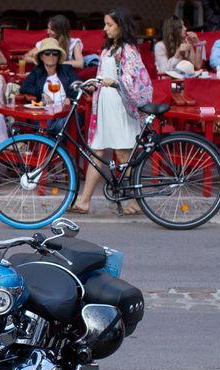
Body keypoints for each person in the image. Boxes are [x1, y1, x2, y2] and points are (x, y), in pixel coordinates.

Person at [70, 7, 152, 215]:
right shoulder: (108, 49)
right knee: (96, 150)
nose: (105, 29)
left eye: (109, 25)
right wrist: (93, 85)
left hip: (121, 106)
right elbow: (102, 76)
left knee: (124, 153)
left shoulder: (129, 50)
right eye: (105, 24)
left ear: (120, 26)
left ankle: (135, 201)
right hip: (106, 105)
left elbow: (131, 76)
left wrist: (113, 81)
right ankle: (84, 200)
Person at [20, 38, 81, 133]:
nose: (51, 56)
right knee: (46, 124)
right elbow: (24, 87)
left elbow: (78, 85)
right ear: (41, 56)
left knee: (61, 125)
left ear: (58, 56)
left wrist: (70, 98)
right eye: (47, 53)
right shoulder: (37, 71)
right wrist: (41, 94)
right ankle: (49, 147)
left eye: (55, 53)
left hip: (66, 113)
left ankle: (55, 147)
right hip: (45, 113)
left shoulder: (67, 69)